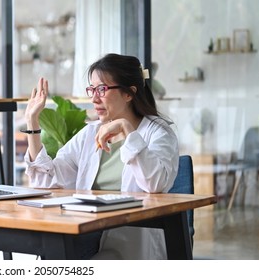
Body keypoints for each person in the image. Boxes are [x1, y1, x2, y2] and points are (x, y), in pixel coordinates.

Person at [22, 53, 179, 259]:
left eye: (102, 89)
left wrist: (127, 131)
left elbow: (155, 184)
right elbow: (46, 181)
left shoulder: (158, 133)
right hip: (88, 231)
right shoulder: (90, 133)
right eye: (92, 89)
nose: (94, 98)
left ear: (129, 93)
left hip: (129, 241)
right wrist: (32, 123)